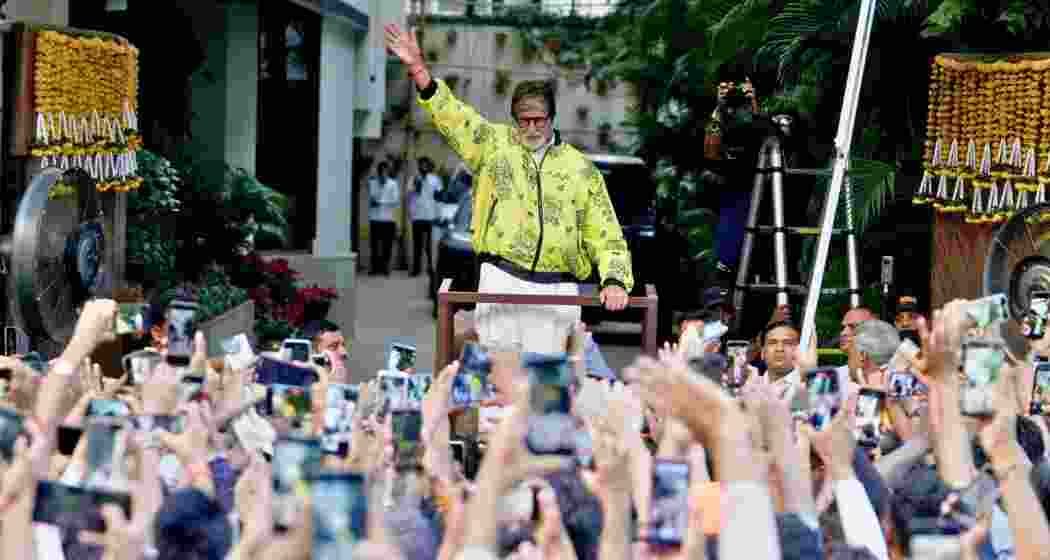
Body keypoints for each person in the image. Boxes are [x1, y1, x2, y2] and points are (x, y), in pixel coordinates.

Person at [385, 24, 634, 355]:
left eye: (539, 120)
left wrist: (615, 280)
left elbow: (606, 233)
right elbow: (454, 117)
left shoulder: (580, 169)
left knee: (548, 394)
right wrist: (418, 69)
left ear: (552, 118)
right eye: (523, 120)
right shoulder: (493, 146)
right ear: (514, 119)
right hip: (501, 282)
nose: (531, 127)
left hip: (558, 291)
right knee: (497, 388)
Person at [410, 157, 441, 277]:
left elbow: (438, 196)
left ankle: (430, 268)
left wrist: (438, 213)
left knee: (429, 246)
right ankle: (416, 269)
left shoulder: (435, 179)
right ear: (418, 166)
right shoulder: (414, 178)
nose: (423, 167)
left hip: (430, 216)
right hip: (417, 216)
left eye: (425, 165)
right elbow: (411, 194)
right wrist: (417, 185)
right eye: (421, 165)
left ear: (429, 166)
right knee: (417, 245)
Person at [368, 161, 400, 276]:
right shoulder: (373, 183)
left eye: (385, 171)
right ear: (379, 172)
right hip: (375, 218)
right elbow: (371, 198)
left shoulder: (393, 184)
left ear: (388, 172)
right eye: (381, 171)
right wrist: (375, 201)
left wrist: (381, 202)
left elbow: (395, 200)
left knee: (387, 245)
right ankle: (374, 268)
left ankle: (385, 268)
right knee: (374, 245)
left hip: (388, 219)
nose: (383, 173)